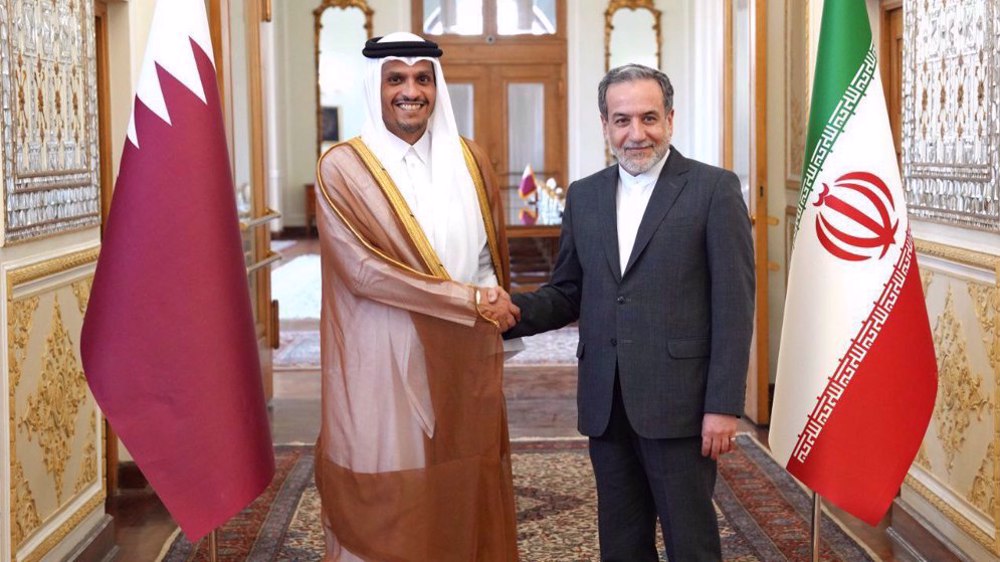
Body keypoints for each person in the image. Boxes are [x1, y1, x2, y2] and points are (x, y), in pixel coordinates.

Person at [500, 64, 755, 560]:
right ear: (605, 125)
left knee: (692, 541)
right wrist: (510, 312)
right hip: (606, 400)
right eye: (622, 120)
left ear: (670, 119)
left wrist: (723, 405)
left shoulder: (712, 190)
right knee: (621, 541)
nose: (636, 134)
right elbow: (568, 291)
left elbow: (734, 306)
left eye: (648, 118)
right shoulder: (585, 196)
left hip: (680, 404)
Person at [313, 32, 521, 561]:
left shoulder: (470, 160)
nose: (411, 91)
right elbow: (364, 273)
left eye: (422, 78)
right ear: (375, 87)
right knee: (389, 476)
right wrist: (469, 301)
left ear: (437, 86)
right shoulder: (342, 168)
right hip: (383, 350)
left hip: (462, 351)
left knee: (461, 471)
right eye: (396, 79)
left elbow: (484, 257)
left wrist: (488, 299)